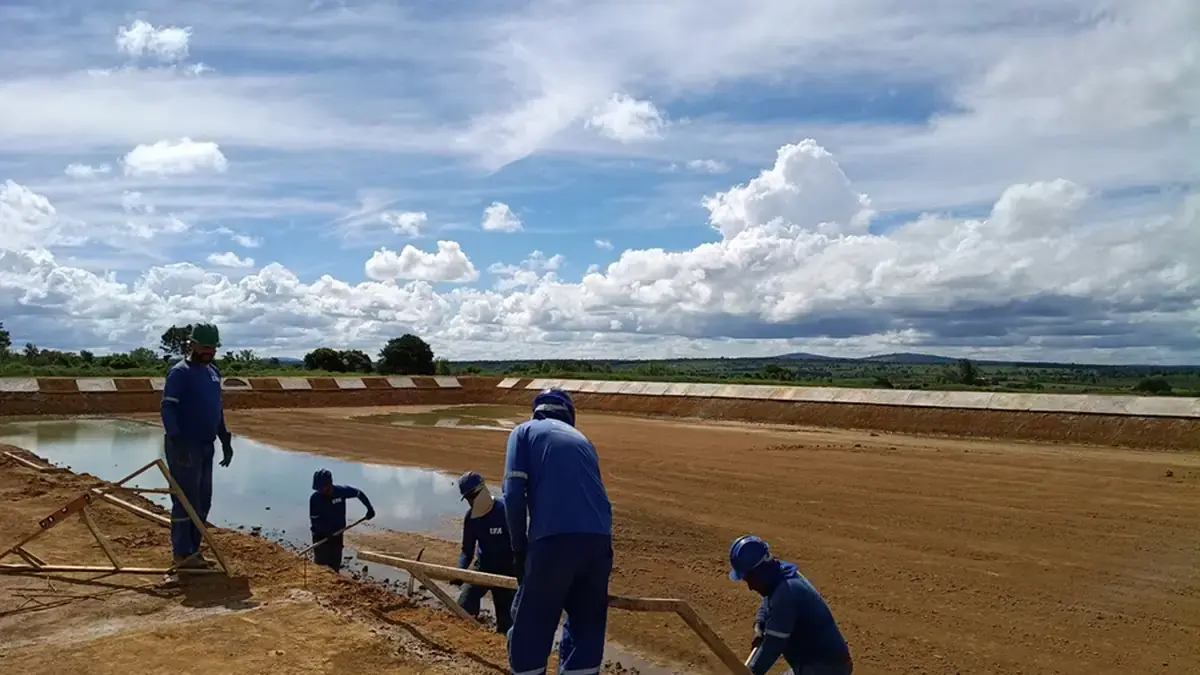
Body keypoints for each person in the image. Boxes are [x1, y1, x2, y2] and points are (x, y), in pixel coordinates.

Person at [503, 387, 613, 675]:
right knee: (586, 626)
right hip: (599, 540)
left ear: (537, 411)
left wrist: (518, 550)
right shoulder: (584, 441)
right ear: (569, 415)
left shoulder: (524, 432)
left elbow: (513, 494)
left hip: (553, 539)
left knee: (533, 622)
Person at [160, 323, 234, 572]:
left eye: (213, 347)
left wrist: (224, 437)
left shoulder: (213, 372)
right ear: (191, 345)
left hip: (206, 445)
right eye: (205, 347)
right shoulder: (180, 373)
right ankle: (182, 554)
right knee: (185, 501)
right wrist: (177, 439)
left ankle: (194, 551)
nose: (209, 351)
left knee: (203, 501)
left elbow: (217, 407)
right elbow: (168, 407)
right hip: (185, 445)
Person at [729, 535, 853, 675]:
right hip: (819, 664)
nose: (750, 587)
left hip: (827, 669)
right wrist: (760, 622)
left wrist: (750, 671)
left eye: (750, 579)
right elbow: (768, 599)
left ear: (760, 571)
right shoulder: (779, 575)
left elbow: (772, 646)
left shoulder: (786, 594)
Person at [453, 471, 516, 634]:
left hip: (507, 572)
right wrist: (459, 572)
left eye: (472, 496)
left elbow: (522, 544)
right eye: (467, 498)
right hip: (483, 568)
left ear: (482, 490)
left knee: (506, 625)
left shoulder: (505, 511)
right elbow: (467, 550)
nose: (471, 501)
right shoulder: (471, 518)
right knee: (462, 608)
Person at [309, 469, 375, 571]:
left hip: (337, 535)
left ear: (329, 484)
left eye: (322, 488)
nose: (320, 491)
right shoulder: (315, 499)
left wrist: (369, 508)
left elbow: (358, 493)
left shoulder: (340, 492)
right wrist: (327, 532)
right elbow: (316, 522)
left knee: (335, 564)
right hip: (321, 538)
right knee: (321, 567)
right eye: (318, 489)